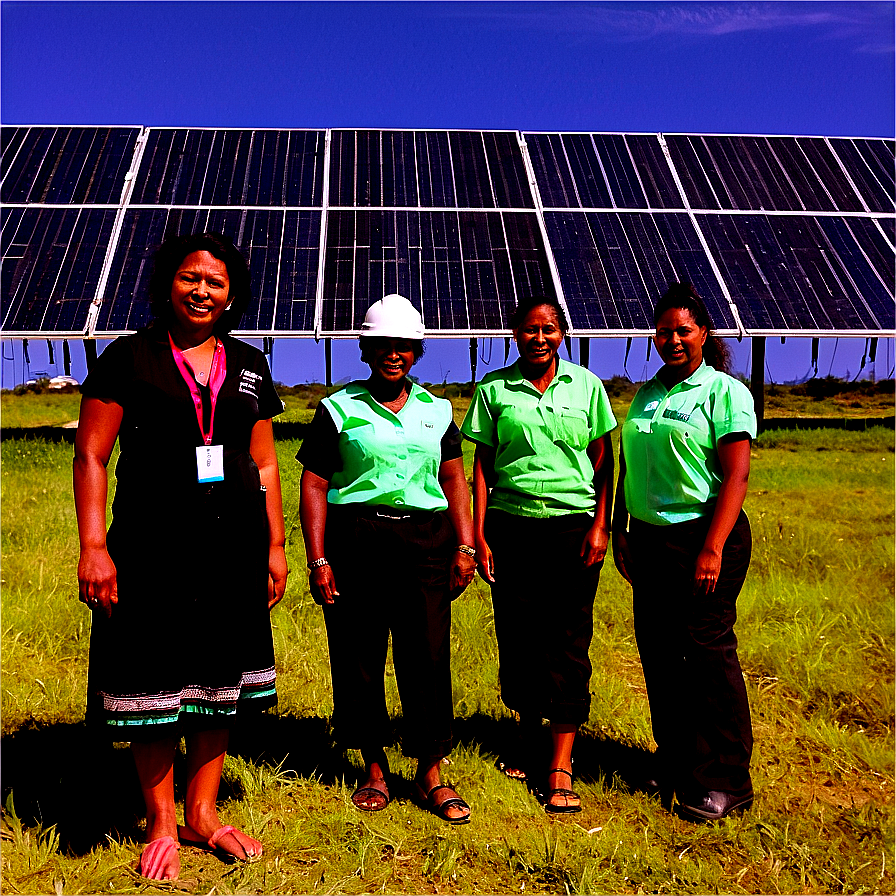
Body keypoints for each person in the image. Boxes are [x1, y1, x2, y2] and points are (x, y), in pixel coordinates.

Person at [74, 232, 288, 880]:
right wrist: (93, 547)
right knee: (152, 680)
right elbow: (91, 455)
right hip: (150, 547)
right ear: (169, 282)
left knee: (218, 681)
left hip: (233, 548)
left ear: (231, 296)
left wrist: (276, 545)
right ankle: (161, 820)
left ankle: (204, 813)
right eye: (191, 278)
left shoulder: (250, 365)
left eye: (215, 282)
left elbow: (266, 462)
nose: (202, 290)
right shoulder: (127, 360)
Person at [298, 294, 477, 824]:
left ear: (416, 351)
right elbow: (314, 483)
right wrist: (318, 558)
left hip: (426, 542)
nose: (392, 354)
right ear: (366, 348)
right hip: (356, 542)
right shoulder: (338, 409)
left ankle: (430, 773)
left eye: (402, 345)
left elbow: (453, 480)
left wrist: (465, 544)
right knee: (359, 654)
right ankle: (374, 768)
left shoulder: (438, 411)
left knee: (426, 653)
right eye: (381, 344)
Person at [460, 296, 616, 814]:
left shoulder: (587, 387)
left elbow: (602, 461)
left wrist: (600, 525)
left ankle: (561, 763)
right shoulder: (494, 390)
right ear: (515, 334)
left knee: (569, 640)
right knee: (519, 635)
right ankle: (527, 737)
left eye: (549, 329)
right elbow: (483, 466)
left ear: (562, 335)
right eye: (529, 329)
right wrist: (481, 535)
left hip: (572, 528)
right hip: (512, 528)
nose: (539, 338)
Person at [612, 282, 756, 823]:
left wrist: (712, 547)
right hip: (649, 541)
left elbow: (736, 474)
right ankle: (675, 758)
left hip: (703, 536)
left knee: (707, 656)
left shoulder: (724, 393)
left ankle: (726, 778)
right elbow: (632, 465)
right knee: (660, 655)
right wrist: (624, 527)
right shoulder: (647, 395)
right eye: (664, 330)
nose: (673, 339)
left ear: (702, 334)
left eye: (684, 330)